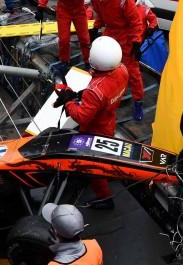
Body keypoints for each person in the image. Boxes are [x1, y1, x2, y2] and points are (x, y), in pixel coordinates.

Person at [53, 36, 128, 209]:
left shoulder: (94, 91)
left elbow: (81, 117)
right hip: (108, 120)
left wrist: (68, 101)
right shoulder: (122, 70)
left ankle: (104, 197)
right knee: (105, 153)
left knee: (91, 165)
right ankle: (108, 172)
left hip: (93, 129)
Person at [87, 0, 144, 121]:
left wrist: (136, 43)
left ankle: (138, 102)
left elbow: (136, 23)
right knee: (101, 65)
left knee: (133, 72)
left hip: (126, 36)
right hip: (110, 33)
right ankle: (99, 96)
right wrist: (96, 28)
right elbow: (100, 15)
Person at [37, 0, 95, 75]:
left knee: (85, 39)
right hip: (63, 11)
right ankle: (64, 61)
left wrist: (101, 15)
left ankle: (88, 62)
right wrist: (40, 7)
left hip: (79, 11)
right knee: (64, 39)